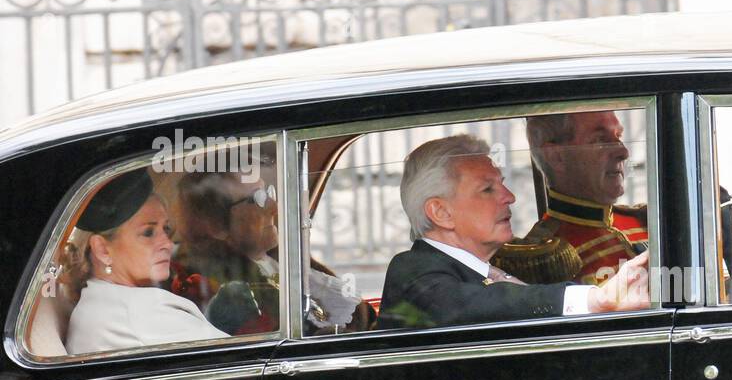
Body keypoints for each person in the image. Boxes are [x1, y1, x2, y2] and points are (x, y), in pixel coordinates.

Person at [379, 135, 649, 329]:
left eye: (502, 185)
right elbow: (473, 306)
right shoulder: (412, 272)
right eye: (487, 189)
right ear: (441, 213)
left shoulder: (486, 269)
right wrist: (596, 299)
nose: (510, 197)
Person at [172, 151, 365, 335]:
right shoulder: (227, 293)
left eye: (267, 193)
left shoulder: (281, 262)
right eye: (257, 199)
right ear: (215, 226)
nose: (274, 207)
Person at [61, 168, 229, 353]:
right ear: (102, 250)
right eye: (148, 233)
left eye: (166, 229)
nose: (167, 243)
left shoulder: (101, 302)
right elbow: (242, 361)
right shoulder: (141, 313)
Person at [491, 110, 649, 284]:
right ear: (555, 156)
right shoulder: (543, 259)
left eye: (618, 136)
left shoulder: (645, 219)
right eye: (599, 140)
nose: (623, 152)